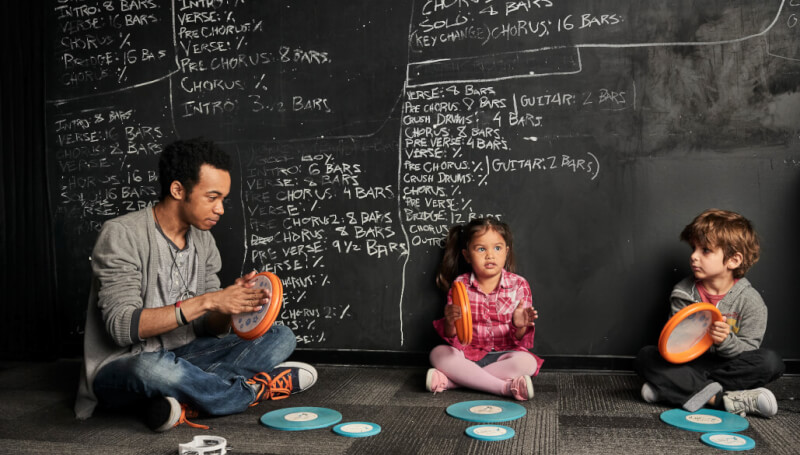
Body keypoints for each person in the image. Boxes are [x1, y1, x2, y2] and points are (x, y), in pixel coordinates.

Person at [74, 138, 317, 431]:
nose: (221, 209)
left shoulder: (203, 240)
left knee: (281, 335)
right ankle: (249, 391)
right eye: (212, 197)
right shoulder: (121, 234)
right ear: (178, 190)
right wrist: (209, 300)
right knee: (152, 368)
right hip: (124, 365)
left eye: (223, 199)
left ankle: (182, 398)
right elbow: (123, 328)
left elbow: (208, 330)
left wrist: (230, 305)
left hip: (186, 355)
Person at [636, 209, 784, 417]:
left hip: (728, 366)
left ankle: (675, 390)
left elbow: (749, 350)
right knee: (646, 356)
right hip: (690, 365)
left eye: (705, 250)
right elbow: (675, 347)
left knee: (771, 362)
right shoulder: (683, 292)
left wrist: (725, 341)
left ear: (733, 260)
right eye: (693, 248)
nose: (693, 256)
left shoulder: (751, 302)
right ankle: (724, 400)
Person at [426, 217, 543, 400]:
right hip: (467, 354)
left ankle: (452, 382)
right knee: (438, 354)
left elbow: (519, 340)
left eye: (497, 248)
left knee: (527, 362)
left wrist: (520, 325)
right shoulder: (460, 285)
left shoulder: (519, 284)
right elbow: (453, 335)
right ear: (467, 255)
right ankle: (504, 388)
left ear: (506, 251)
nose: (490, 255)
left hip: (504, 355)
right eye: (481, 249)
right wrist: (449, 321)